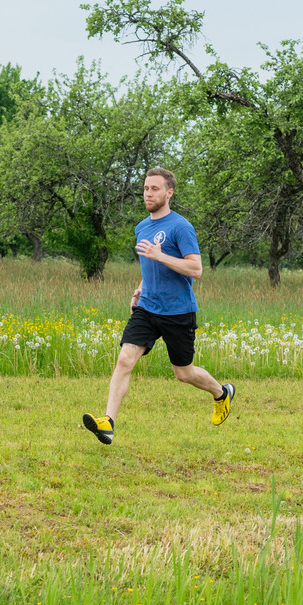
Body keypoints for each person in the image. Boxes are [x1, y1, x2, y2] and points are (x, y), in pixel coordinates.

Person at [83, 167, 234, 445]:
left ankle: (221, 393)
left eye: (154, 188)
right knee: (125, 359)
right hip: (147, 308)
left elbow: (196, 269)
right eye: (145, 188)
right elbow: (149, 263)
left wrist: (161, 255)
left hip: (178, 311)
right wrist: (140, 288)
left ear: (169, 192)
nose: (148, 193)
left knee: (184, 373)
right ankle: (108, 422)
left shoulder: (181, 227)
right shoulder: (142, 227)